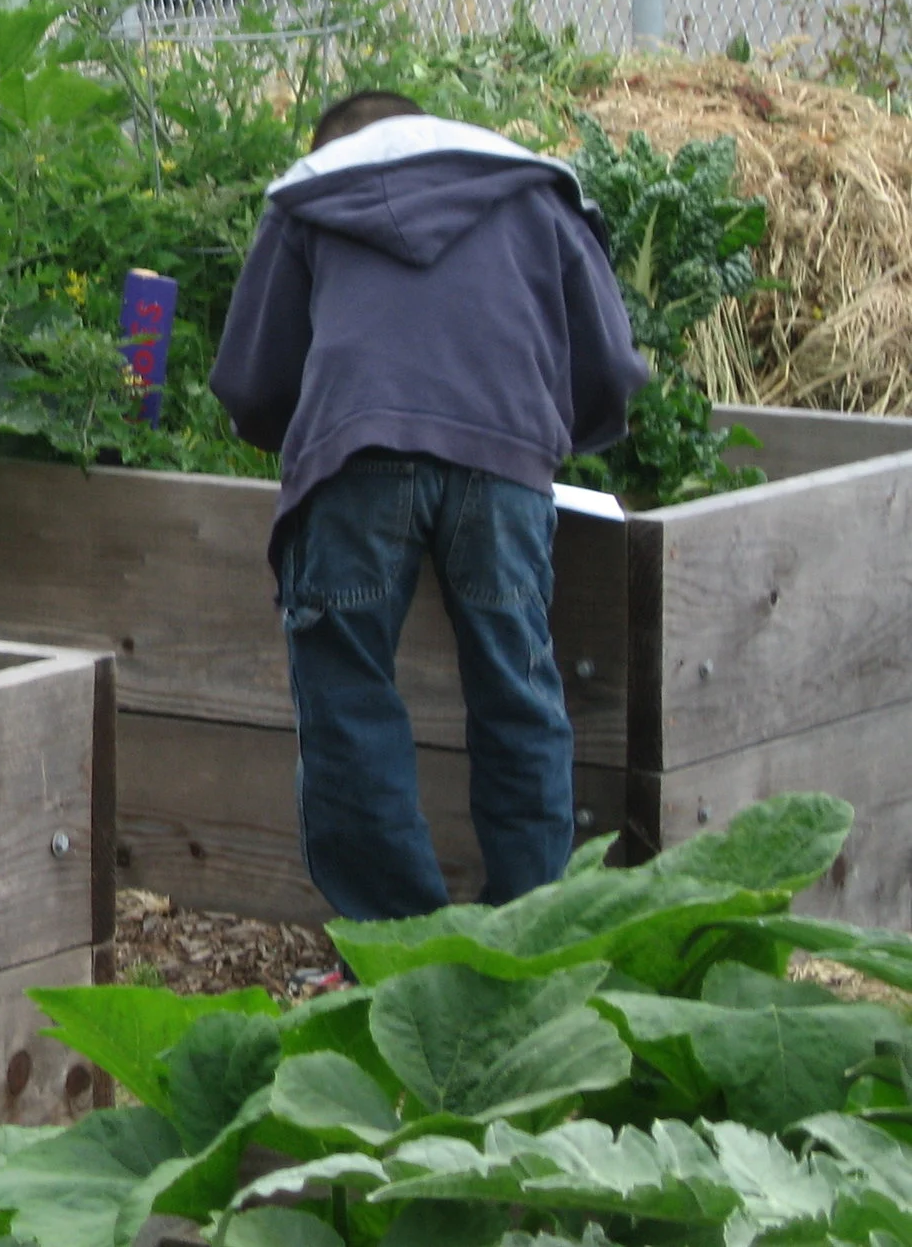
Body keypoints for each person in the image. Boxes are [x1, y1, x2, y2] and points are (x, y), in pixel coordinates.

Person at [210, 91, 648, 921]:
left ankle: (398, 948)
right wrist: (544, 436)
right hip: (504, 460)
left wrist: (303, 431)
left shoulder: (311, 197)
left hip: (356, 455)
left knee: (348, 699)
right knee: (517, 689)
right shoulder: (530, 193)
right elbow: (611, 368)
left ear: (333, 145)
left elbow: (251, 381)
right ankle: (528, 935)